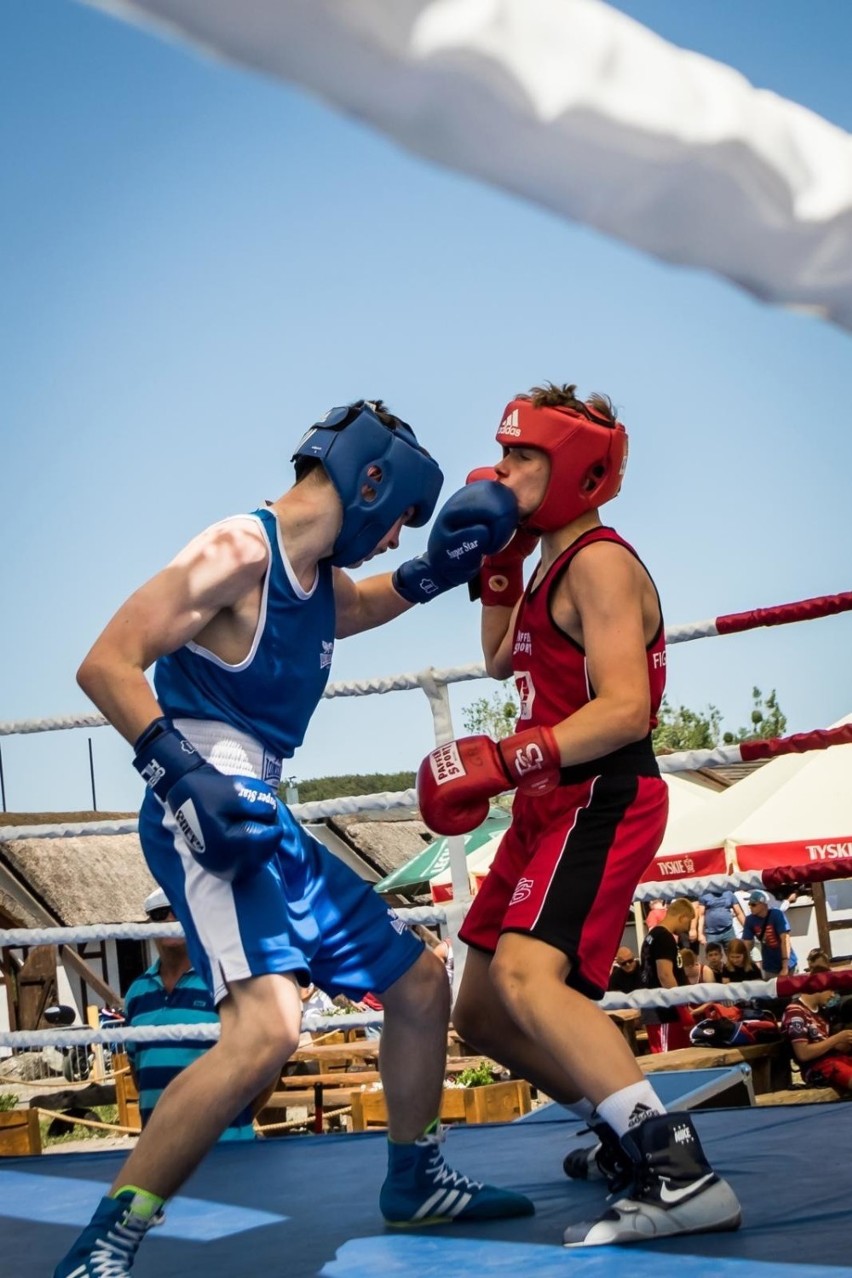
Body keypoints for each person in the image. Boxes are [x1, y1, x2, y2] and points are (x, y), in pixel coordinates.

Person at [56, 399, 533, 1277]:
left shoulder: (316, 584)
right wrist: (179, 774)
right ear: (371, 480)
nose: (393, 540)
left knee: (421, 985)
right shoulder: (237, 550)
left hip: (266, 811)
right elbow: (107, 661)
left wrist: (435, 572)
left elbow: (361, 604)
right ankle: (107, 1242)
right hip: (209, 805)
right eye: (395, 524)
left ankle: (415, 1178)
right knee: (264, 1033)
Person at [417, 383, 740, 1247]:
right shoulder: (549, 567)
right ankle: (620, 1129)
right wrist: (497, 564)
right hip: (543, 805)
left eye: (525, 456)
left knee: (530, 979)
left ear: (577, 472)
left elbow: (628, 708)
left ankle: (678, 1170)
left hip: (599, 793)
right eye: (506, 451)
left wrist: (509, 756)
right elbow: (497, 660)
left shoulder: (600, 561)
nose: (504, 467)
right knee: (481, 1013)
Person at [124, 888, 255, 1139]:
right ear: (150, 922)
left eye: (179, 910)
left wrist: (233, 1122)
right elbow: (138, 1071)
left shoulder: (227, 982)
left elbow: (263, 1066)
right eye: (160, 914)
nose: (170, 919)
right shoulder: (136, 993)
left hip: (226, 1146)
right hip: (159, 1149)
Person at [638, 899, 697, 1053]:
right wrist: (681, 1006)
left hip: (661, 1009)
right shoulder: (663, 937)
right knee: (669, 1057)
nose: (687, 927)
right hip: (664, 1012)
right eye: (688, 921)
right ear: (683, 917)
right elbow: (665, 975)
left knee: (675, 1056)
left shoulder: (653, 936)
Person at [781, 991, 852, 1092]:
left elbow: (829, 1043)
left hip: (837, 1058)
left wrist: (845, 1041)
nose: (833, 995)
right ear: (817, 986)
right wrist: (837, 1038)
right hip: (817, 1068)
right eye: (830, 989)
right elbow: (803, 1054)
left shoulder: (822, 1011)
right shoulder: (795, 1011)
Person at [741, 890, 797, 978]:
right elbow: (747, 944)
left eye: (753, 904)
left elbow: (785, 940)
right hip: (769, 965)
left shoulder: (777, 914)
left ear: (763, 904)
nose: (750, 907)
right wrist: (744, 963)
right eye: (749, 904)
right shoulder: (750, 920)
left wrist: (785, 966)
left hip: (788, 963)